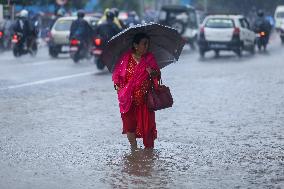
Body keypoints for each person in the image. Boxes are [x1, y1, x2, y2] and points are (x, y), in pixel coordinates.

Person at [112, 33, 161, 150]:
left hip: (145, 99)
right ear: (135, 45)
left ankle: (149, 152)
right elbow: (117, 75)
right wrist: (118, 88)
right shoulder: (126, 58)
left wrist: (152, 72)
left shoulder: (150, 58)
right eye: (144, 44)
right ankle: (134, 150)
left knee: (148, 127)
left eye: (148, 44)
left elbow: (158, 74)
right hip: (128, 99)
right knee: (130, 126)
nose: (147, 46)